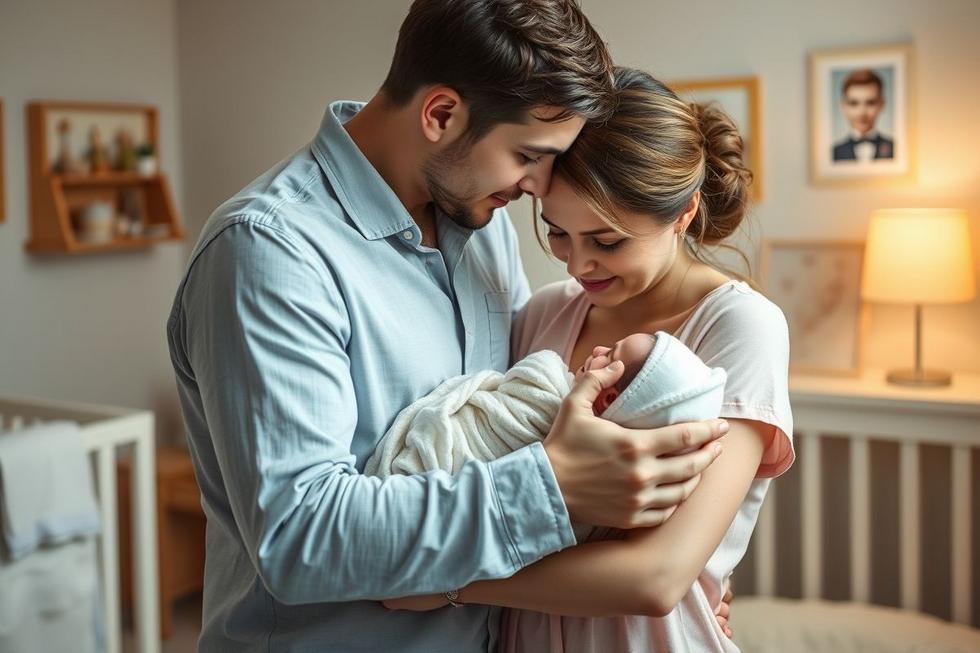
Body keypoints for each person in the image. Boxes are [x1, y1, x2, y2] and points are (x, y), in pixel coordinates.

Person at [165, 2, 728, 651]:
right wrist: (552, 486)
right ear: (440, 114)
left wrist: (685, 573)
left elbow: (508, 422)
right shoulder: (270, 251)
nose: (539, 185)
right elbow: (300, 538)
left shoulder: (482, 227)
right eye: (528, 154)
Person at [384, 67, 795, 653]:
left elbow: (656, 578)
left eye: (607, 242)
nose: (577, 266)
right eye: (558, 234)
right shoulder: (545, 313)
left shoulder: (739, 325)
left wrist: (447, 582)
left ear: (684, 212)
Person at [365, 332, 727, 486]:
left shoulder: (548, 380)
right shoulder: (606, 481)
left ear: (607, 398)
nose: (598, 350)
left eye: (610, 356)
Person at [832, 68, 894, 162]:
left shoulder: (896, 148)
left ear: (882, 104)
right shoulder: (834, 152)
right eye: (853, 103)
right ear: (843, 106)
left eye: (870, 103)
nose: (862, 112)